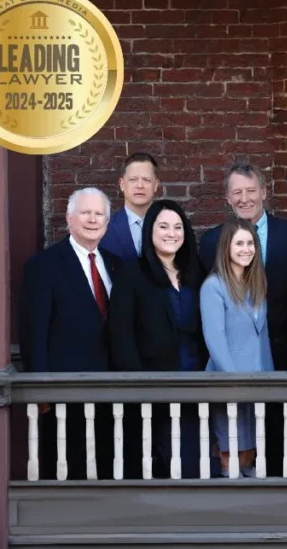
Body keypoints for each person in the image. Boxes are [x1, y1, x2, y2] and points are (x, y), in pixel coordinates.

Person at [198, 162, 287, 475]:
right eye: (237, 192)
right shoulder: (210, 245)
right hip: (233, 372)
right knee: (234, 447)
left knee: (271, 443)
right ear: (228, 198)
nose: (245, 198)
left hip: (277, 362)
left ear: (263, 191)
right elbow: (213, 328)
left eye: (251, 190)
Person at [18, 187, 122, 480]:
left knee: (108, 470)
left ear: (107, 221)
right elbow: (32, 332)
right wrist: (42, 394)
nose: (92, 219)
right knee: (68, 472)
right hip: (64, 393)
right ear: (69, 218)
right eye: (85, 213)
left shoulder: (116, 264)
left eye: (99, 213)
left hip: (112, 391)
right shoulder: (44, 265)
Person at [108, 199, 207, 479]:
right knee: (152, 464)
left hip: (195, 382)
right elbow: (121, 334)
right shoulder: (132, 274)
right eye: (163, 226)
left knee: (190, 460)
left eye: (178, 227)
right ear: (150, 230)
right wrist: (137, 385)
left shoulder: (196, 273)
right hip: (150, 384)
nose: (171, 233)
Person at [200, 219, 275, 477]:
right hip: (229, 383)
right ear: (226, 248)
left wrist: (269, 377)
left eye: (250, 243)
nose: (246, 249)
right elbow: (215, 340)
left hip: (257, 382)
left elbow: (261, 337)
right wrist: (235, 382)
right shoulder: (214, 287)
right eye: (239, 243)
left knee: (251, 456)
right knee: (230, 456)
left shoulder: (256, 286)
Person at [100, 152, 161, 261]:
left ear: (156, 185)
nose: (140, 185)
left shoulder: (173, 228)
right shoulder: (103, 229)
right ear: (122, 184)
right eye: (133, 180)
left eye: (146, 180)